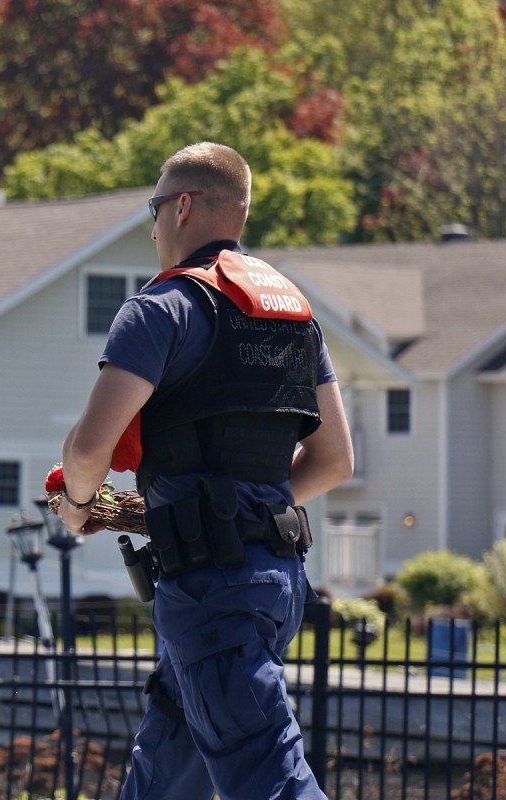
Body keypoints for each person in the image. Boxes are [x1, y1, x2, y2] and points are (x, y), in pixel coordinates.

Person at [55, 142, 354, 800]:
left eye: (154, 210)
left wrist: (82, 504)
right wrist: (245, 512)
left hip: (210, 587)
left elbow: (86, 453)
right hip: (275, 582)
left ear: (182, 207)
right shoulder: (294, 315)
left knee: (269, 780)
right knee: (168, 755)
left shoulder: (160, 309)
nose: (154, 226)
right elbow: (335, 460)